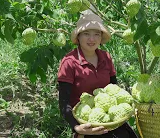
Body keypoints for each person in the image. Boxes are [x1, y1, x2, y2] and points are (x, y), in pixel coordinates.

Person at [57, 9, 138, 138]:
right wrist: (77, 127)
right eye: (86, 34)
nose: (92, 39)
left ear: (101, 38)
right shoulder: (69, 62)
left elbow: (114, 89)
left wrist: (126, 106)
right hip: (86, 122)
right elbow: (64, 103)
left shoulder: (106, 57)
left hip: (110, 119)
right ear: (78, 37)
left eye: (96, 34)